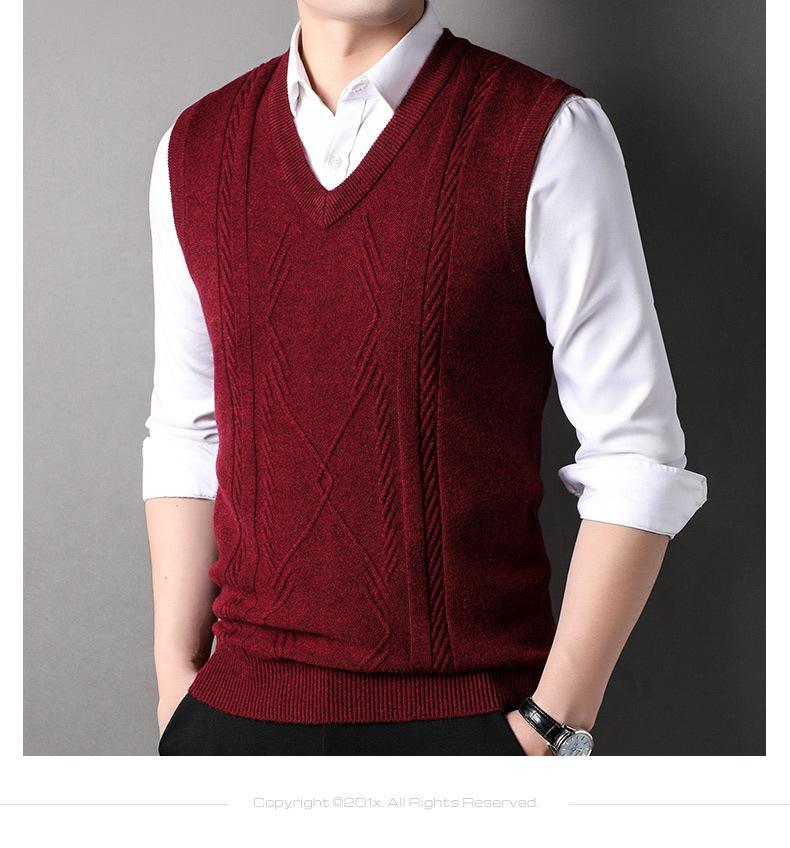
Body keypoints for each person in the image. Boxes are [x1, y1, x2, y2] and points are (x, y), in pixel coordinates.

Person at [143, 0, 708, 756]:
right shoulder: (196, 145)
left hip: (471, 721)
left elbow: (635, 452)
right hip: (233, 716)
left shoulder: (546, 132)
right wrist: (175, 684)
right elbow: (189, 431)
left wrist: (551, 727)